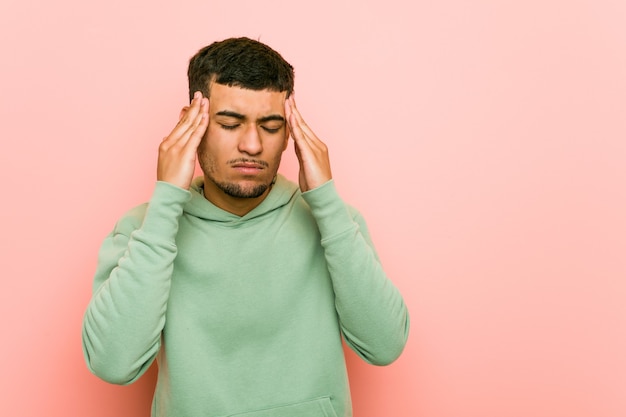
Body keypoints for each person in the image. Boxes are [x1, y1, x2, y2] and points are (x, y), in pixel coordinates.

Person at [82, 37, 409, 417]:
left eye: (270, 126)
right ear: (192, 122)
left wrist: (327, 202)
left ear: (289, 132)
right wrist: (166, 201)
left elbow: (385, 346)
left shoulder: (334, 223)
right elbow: (112, 364)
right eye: (230, 123)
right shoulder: (144, 228)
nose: (252, 145)